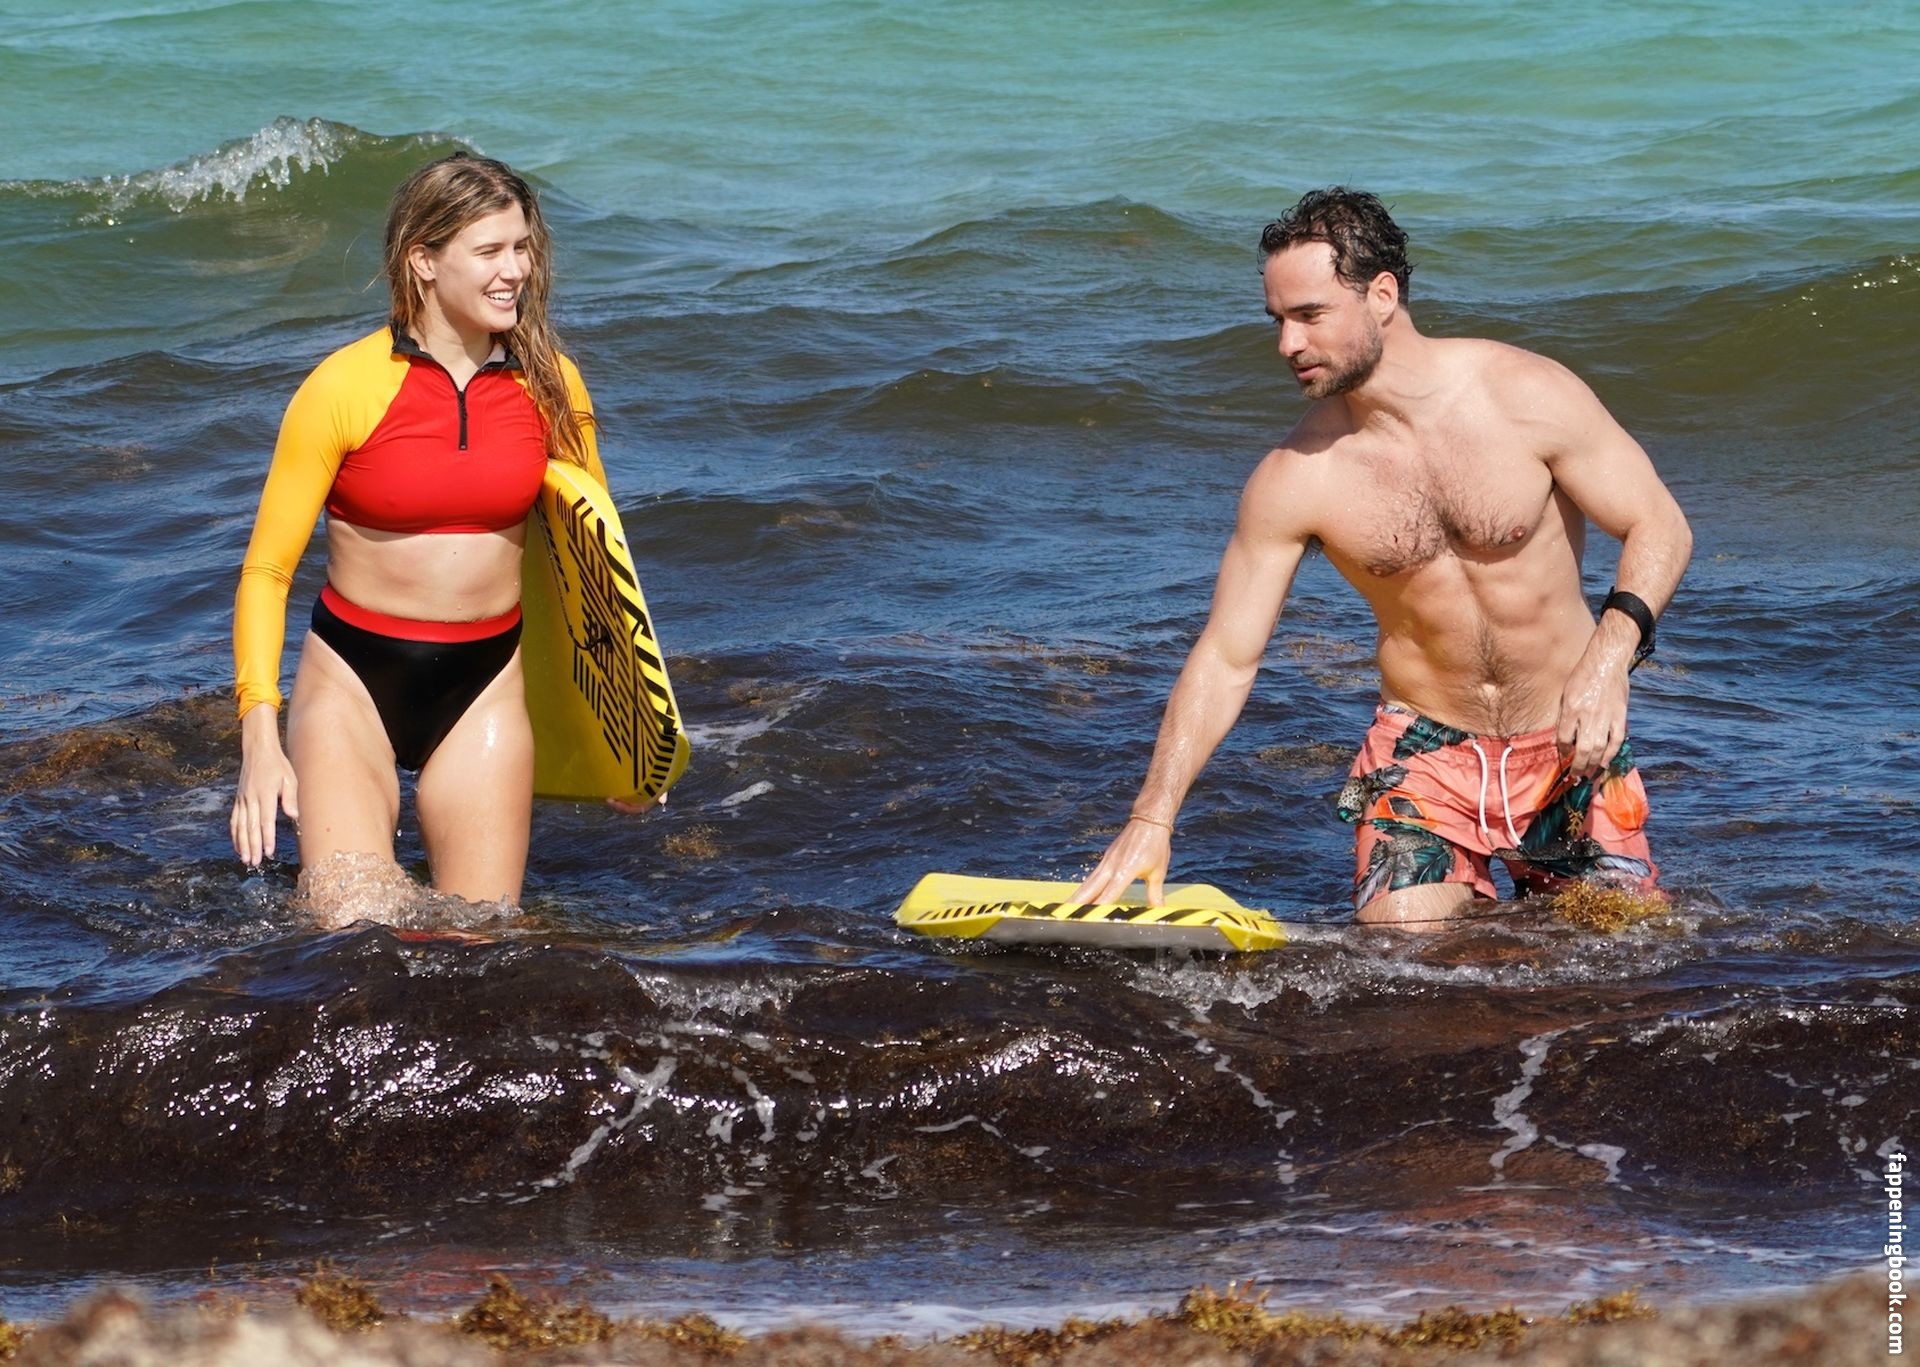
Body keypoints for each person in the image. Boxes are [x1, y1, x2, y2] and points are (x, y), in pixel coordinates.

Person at [1074, 188, 1692, 927]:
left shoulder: (1527, 396)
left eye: (1310, 315)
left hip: (1569, 746)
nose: (1287, 344)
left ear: (1383, 295)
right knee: (1403, 961)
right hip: (1423, 756)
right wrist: (1152, 817)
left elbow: (1660, 525)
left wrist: (1609, 662)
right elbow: (1226, 657)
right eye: (1277, 320)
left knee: (1621, 956)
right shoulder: (1296, 476)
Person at [229, 153, 613, 921]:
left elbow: (590, 562)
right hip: (353, 684)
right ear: (424, 260)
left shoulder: (551, 386)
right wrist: (260, 743)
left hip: (485, 685)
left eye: (522, 247)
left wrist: (619, 737)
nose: (516, 269)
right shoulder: (343, 387)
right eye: (491, 250)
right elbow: (267, 571)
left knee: (481, 937)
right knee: (355, 928)